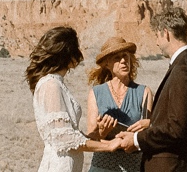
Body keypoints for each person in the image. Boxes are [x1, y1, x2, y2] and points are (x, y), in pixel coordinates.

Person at [27, 26, 131, 172]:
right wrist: (108, 145)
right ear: (68, 54)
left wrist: (97, 135)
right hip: (60, 166)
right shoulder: (51, 85)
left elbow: (68, 134)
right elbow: (64, 138)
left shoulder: (55, 83)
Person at [123, 5, 187, 172]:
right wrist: (152, 123)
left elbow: (175, 129)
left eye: (157, 36)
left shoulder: (183, 70)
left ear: (165, 33)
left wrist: (137, 139)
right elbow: (180, 117)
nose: (156, 42)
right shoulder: (182, 65)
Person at [84, 36, 154, 172]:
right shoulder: (96, 93)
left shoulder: (144, 92)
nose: (123, 61)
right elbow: (91, 138)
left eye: (125, 56)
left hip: (131, 166)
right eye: (117, 58)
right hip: (102, 166)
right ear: (107, 64)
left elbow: (148, 134)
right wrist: (103, 133)